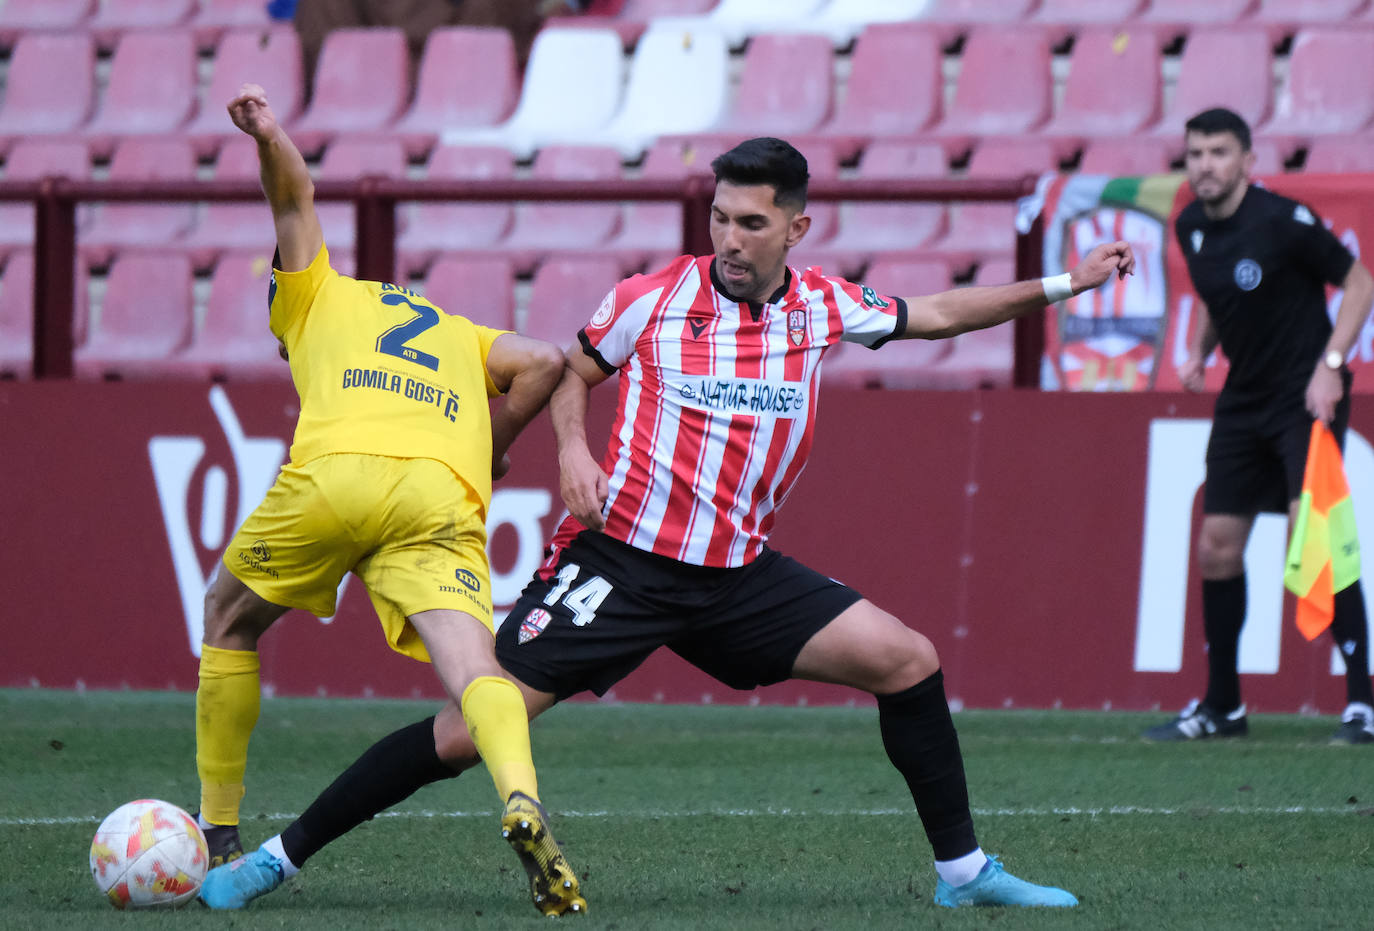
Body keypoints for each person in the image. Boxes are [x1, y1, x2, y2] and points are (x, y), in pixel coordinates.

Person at [200, 136, 1135, 911]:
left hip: (737, 574)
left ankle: (963, 873)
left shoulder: (822, 306)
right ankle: (276, 859)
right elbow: (571, 368)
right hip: (622, 565)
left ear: (797, 228)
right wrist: (572, 450)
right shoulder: (651, 298)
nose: (730, 237)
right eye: (720, 217)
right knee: (462, 733)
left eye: (753, 221)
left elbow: (935, 313)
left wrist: (1065, 285)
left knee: (910, 658)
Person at [193, 83, 586, 916]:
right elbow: (547, 361)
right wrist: (490, 444)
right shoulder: (451, 327)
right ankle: (520, 796)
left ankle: (218, 831)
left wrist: (267, 132)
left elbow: (293, 195)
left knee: (228, 617)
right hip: (438, 496)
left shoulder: (312, 293)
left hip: (338, 473)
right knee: (479, 671)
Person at [1143, 108, 1374, 744]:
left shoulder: (1283, 222)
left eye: (1218, 153)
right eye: (1195, 154)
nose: (1205, 165)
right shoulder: (1190, 225)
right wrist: (1197, 350)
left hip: (1307, 394)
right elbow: (1219, 298)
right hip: (1244, 398)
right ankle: (1223, 707)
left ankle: (1362, 702)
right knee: (1217, 545)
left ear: (1248, 161)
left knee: (1317, 540)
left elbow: (1359, 283)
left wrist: (1332, 366)